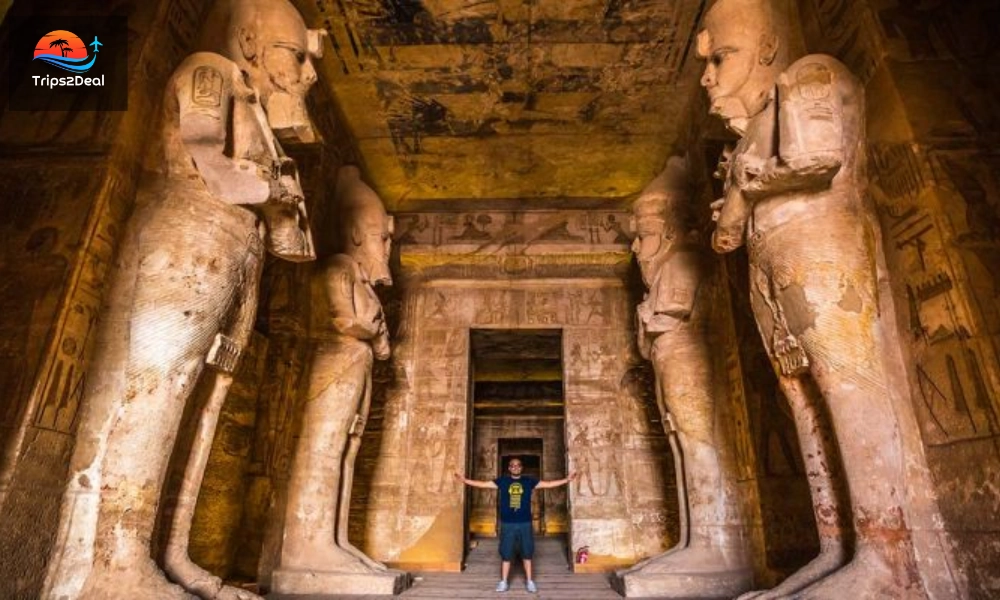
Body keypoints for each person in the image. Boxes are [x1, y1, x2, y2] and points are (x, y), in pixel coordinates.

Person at [454, 458, 576, 594]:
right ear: (509, 468)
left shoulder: (529, 481)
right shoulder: (503, 481)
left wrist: (567, 480)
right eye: (512, 465)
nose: (515, 467)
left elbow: (549, 484)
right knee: (506, 553)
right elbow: (482, 484)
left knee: (527, 552)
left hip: (525, 522)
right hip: (507, 523)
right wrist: (465, 480)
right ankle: (504, 582)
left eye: (518, 465)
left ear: (521, 468)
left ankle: (530, 581)